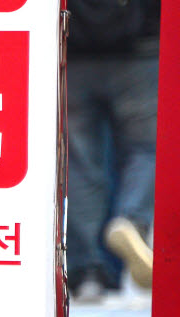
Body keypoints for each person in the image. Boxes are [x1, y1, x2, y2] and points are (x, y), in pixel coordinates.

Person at [65, 0, 159, 301]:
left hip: (74, 49)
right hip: (140, 52)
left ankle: (87, 273)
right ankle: (132, 219)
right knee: (145, 148)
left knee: (80, 164)